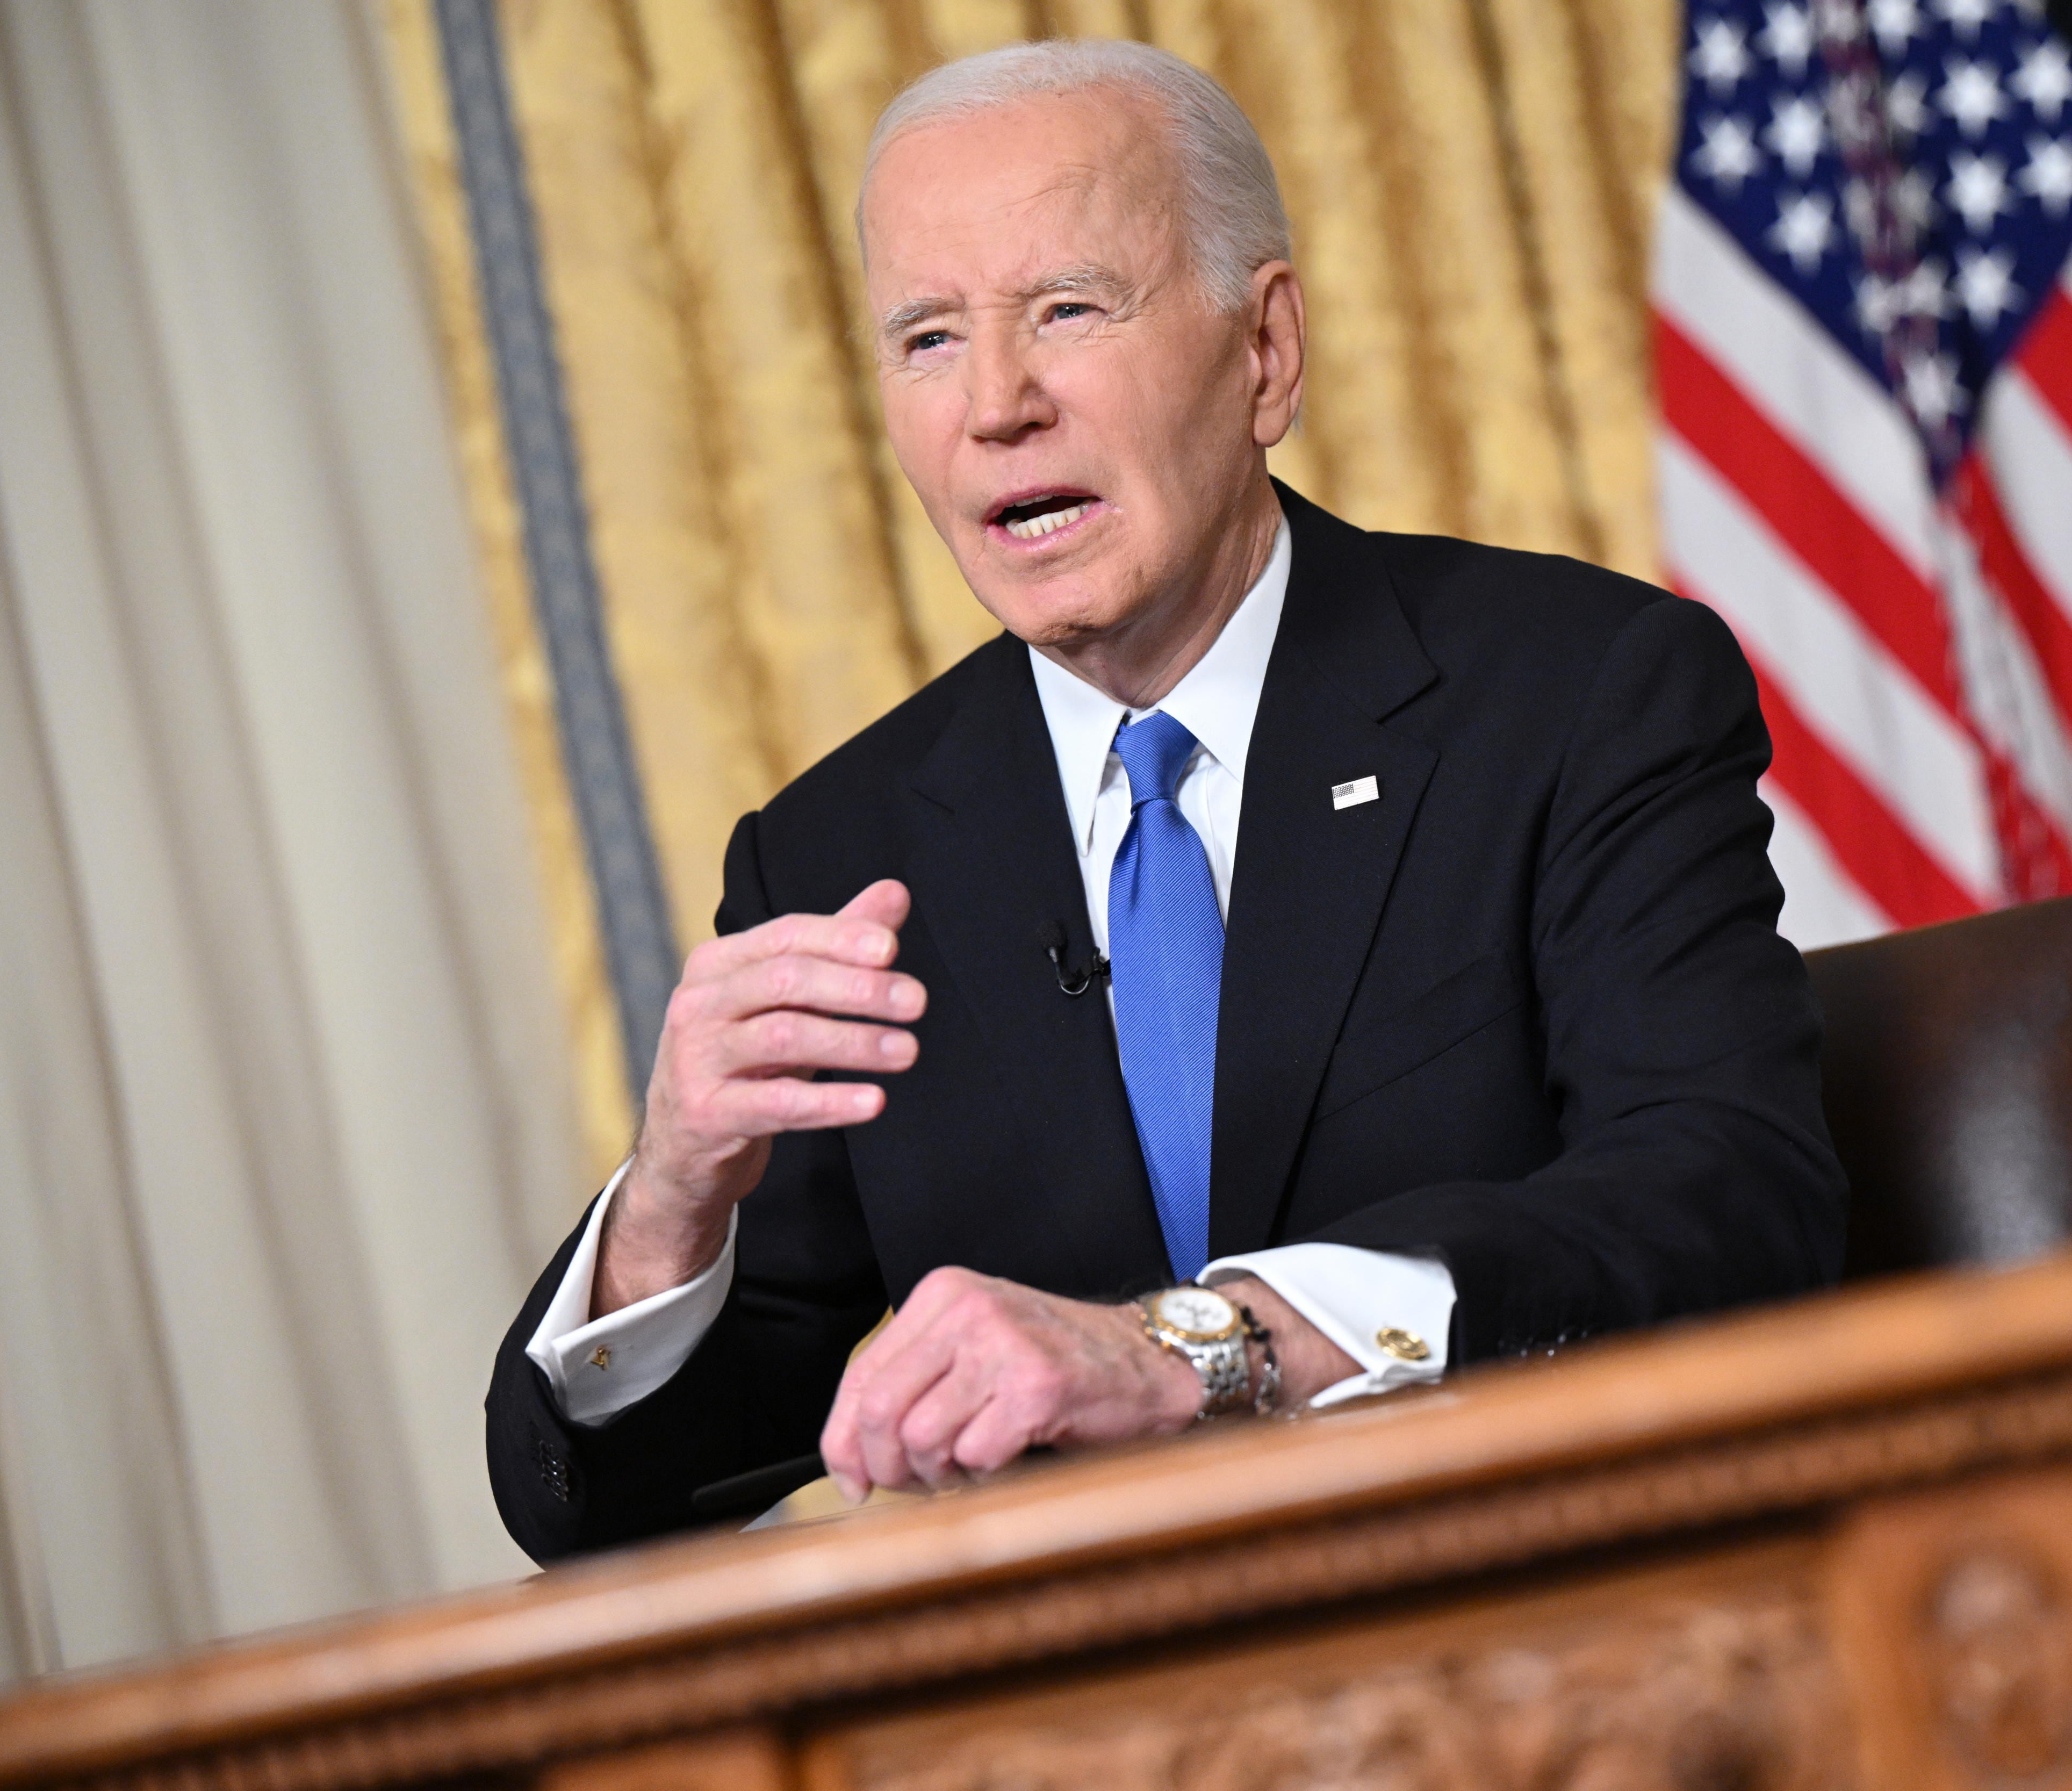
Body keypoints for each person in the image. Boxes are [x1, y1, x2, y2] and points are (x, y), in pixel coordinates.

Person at [486, 38, 1845, 1563]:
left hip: (1556, 1618)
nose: (997, 404)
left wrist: (1209, 1348)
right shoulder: (838, 856)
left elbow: (1731, 1199)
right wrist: (670, 1200)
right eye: (927, 339)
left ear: (1264, 351)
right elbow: (613, 1503)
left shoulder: (1576, 693)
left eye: (1068, 310)